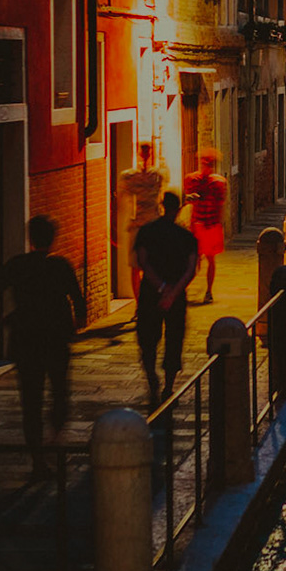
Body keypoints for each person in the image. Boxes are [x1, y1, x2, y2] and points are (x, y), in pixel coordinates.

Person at [0, 215, 86, 478]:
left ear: (30, 238)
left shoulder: (18, 266)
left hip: (25, 340)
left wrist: (4, 317)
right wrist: (74, 323)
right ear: (53, 238)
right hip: (56, 339)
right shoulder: (60, 266)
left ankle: (37, 459)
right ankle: (55, 439)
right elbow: (79, 303)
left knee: (31, 401)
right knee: (59, 392)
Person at [133, 191, 199, 408]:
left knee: (148, 340)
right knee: (174, 340)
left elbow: (143, 262)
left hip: (151, 295)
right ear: (178, 208)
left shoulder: (146, 232)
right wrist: (172, 293)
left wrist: (161, 288)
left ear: (162, 206)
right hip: (176, 298)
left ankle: (152, 381)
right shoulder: (186, 237)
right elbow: (191, 269)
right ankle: (168, 387)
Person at [116, 141, 169, 294]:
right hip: (145, 226)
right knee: (139, 266)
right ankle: (140, 303)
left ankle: (143, 303)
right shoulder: (145, 176)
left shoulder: (152, 176)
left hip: (145, 226)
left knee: (141, 266)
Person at [183, 148, 228, 305]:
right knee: (194, 260)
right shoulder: (192, 180)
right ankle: (183, 288)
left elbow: (220, 206)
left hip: (211, 225)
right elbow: (187, 198)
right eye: (204, 163)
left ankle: (208, 291)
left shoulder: (219, 183)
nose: (205, 166)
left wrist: (218, 225)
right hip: (198, 225)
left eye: (208, 163)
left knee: (210, 259)